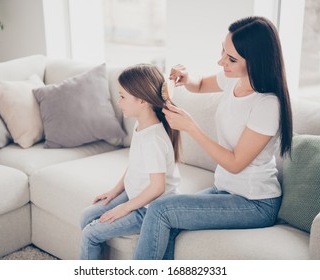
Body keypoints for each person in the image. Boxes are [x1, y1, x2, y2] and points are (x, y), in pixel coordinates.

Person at [133, 16, 293, 260]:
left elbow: (235, 163)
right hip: (226, 190)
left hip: (255, 203)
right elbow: (199, 85)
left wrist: (192, 128)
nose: (221, 62)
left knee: (160, 210)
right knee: (167, 217)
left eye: (231, 59)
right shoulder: (233, 80)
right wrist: (186, 79)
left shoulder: (267, 105)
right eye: (223, 51)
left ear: (255, 61)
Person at [79, 63, 181, 259]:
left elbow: (157, 188)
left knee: (90, 234)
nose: (119, 102)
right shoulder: (141, 126)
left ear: (142, 100)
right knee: (86, 216)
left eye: (123, 97)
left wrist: (122, 209)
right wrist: (114, 191)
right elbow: (135, 166)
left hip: (149, 209)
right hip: (135, 194)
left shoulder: (153, 139)